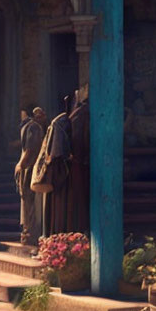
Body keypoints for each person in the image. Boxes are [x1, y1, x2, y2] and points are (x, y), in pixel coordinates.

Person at [32, 95, 72, 235]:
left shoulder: (57, 125)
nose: (40, 118)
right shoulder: (54, 125)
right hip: (50, 169)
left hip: (54, 170)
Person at [14, 106, 47, 245]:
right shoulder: (28, 126)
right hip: (27, 167)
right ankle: (27, 231)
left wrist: (20, 164)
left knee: (30, 200)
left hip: (30, 167)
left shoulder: (33, 127)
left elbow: (29, 148)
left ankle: (31, 232)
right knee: (26, 200)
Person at [67, 85, 90, 233]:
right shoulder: (82, 114)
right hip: (81, 162)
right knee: (82, 200)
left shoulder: (78, 114)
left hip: (78, 160)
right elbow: (84, 138)